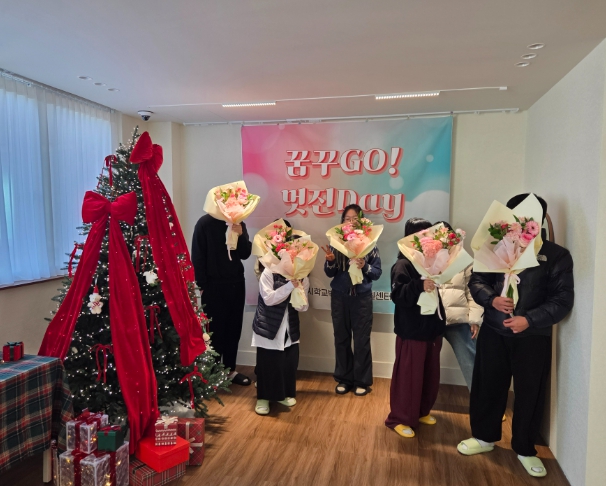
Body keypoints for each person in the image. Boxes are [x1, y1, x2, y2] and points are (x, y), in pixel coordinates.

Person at [457, 194, 574, 479]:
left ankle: (525, 448)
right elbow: (477, 280)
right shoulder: (496, 246)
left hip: (532, 336)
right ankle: (484, 437)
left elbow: (562, 300)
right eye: (513, 216)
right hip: (494, 330)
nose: (518, 222)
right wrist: (492, 299)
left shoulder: (555, 255)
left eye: (525, 216)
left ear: (539, 220)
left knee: (529, 393)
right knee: (487, 386)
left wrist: (529, 320)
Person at [385, 217, 445, 439]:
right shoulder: (403, 264)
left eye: (427, 234)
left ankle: (421, 411)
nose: (424, 240)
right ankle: (399, 418)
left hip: (432, 329)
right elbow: (398, 296)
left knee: (429, 375)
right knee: (409, 377)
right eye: (419, 235)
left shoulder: (434, 263)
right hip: (412, 330)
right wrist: (419, 285)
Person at [322, 204, 382, 396]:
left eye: (354, 219)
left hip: (361, 298)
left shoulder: (370, 244)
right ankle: (344, 378)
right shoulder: (336, 243)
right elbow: (329, 273)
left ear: (361, 222)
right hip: (339, 297)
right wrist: (331, 261)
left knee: (362, 339)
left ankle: (362, 381)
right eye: (347, 219)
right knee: (341, 338)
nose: (350, 222)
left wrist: (364, 265)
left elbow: (377, 273)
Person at [191, 212, 253, 386]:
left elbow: (245, 253)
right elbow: (197, 256)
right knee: (214, 330)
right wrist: (202, 285)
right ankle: (213, 372)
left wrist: (241, 234)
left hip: (236, 282)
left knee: (234, 329)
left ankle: (230, 370)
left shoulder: (238, 222)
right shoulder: (204, 223)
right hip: (213, 285)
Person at [252, 263, 309, 415]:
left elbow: (303, 307)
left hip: (289, 326)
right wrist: (289, 286)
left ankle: (283, 394)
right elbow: (268, 299)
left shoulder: (303, 275)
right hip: (268, 325)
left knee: (288, 363)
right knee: (268, 363)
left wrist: (299, 292)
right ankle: (263, 398)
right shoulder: (269, 272)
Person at [435, 221, 483, 391]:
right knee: (427, 364)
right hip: (432, 321)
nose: (442, 240)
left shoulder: (464, 260)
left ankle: (480, 402)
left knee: (472, 362)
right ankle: (423, 403)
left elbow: (473, 292)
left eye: (446, 236)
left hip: (458, 321)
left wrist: (474, 319)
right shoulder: (425, 260)